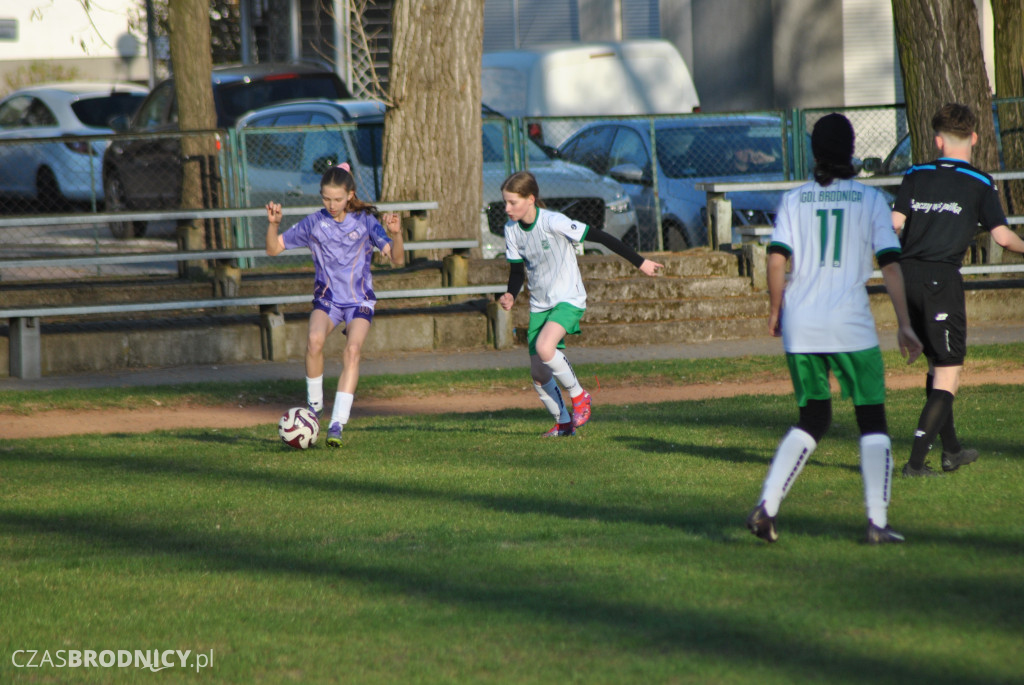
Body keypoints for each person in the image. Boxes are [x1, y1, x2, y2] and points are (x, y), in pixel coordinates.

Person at [746, 113, 923, 545]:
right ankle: (877, 522)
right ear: (851, 149)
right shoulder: (870, 200)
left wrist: (775, 309)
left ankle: (767, 508)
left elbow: (775, 261)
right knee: (871, 419)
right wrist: (905, 324)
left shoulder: (793, 200)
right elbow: (891, 267)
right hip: (850, 325)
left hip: (802, 324)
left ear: (813, 152)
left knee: (814, 417)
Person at [894, 103, 1024, 476]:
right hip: (940, 281)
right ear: (975, 138)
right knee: (949, 373)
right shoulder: (981, 182)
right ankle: (915, 464)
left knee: (937, 365)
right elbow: (1002, 237)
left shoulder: (915, 173)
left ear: (937, 141)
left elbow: (894, 222)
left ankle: (951, 451)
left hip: (907, 277)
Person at [497, 171, 663, 436]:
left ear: (530, 199)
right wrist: (510, 294)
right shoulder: (511, 231)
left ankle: (580, 396)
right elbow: (517, 272)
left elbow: (602, 237)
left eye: (512, 202)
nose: (506, 208)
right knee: (539, 375)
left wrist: (640, 262)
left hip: (568, 298)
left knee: (544, 347)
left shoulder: (554, 222)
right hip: (540, 304)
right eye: (505, 202)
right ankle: (564, 424)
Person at [265, 162, 402, 447]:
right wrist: (274, 225)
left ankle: (337, 423)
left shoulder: (365, 221)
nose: (332, 204)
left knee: (352, 350)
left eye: (338, 199)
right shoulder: (314, 223)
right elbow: (273, 248)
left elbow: (397, 259)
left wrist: (396, 234)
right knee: (314, 340)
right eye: (326, 198)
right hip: (327, 299)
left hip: (359, 301)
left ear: (350, 195)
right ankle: (314, 410)